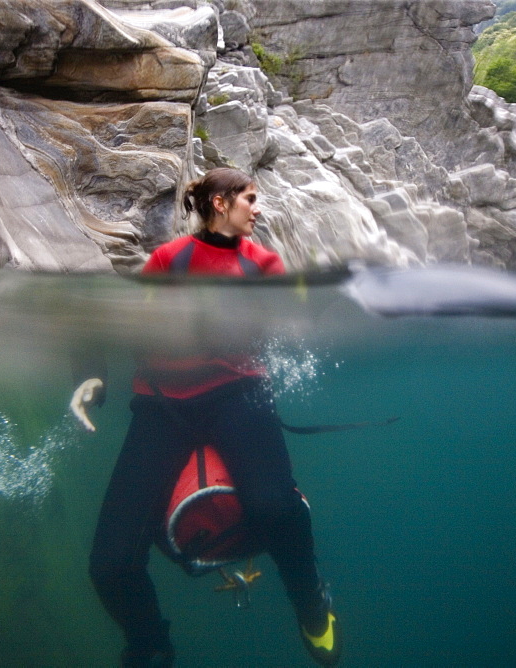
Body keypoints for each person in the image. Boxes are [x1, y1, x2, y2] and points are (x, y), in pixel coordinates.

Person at [71, 168, 340, 667]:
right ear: (220, 203)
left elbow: (297, 318)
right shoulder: (169, 260)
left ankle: (311, 604)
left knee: (274, 510)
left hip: (239, 392)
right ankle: (150, 643)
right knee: (109, 563)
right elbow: (120, 322)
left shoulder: (265, 263)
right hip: (162, 403)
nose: (258, 209)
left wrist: (324, 299)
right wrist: (93, 375)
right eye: (251, 199)